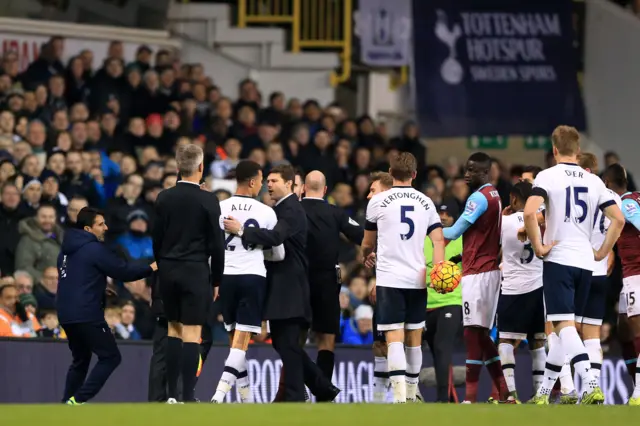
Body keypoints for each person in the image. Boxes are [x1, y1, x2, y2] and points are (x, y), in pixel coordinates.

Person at [525, 125, 624, 405]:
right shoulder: (594, 182)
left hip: (559, 259)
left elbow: (531, 212)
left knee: (563, 325)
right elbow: (618, 219)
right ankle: (544, 393)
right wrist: (602, 251)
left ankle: (590, 383)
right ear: (578, 150)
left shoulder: (547, 176)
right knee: (563, 328)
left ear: (555, 150)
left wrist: (539, 246)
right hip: (585, 262)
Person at [223, 164, 339, 402]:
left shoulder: (291, 210)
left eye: (274, 181)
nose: (269, 184)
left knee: (286, 344)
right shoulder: (283, 208)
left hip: (289, 287)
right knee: (283, 343)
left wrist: (241, 230)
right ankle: (322, 387)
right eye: (269, 181)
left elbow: (275, 238)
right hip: (284, 285)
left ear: (290, 184)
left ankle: (299, 395)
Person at [362, 152, 445, 403]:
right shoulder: (426, 201)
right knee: (414, 339)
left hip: (389, 278)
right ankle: (412, 393)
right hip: (417, 277)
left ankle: (399, 397)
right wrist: (439, 267)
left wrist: (367, 254)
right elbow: (438, 239)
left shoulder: (378, 201)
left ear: (390, 172)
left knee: (393, 337)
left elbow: (367, 242)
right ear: (415, 175)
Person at [57, 207, 155, 405]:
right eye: (101, 224)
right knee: (110, 357)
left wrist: (98, 289)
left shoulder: (64, 253)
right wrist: (150, 268)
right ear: (87, 228)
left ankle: (66, 404)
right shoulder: (94, 249)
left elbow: (76, 279)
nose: (106, 228)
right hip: (87, 314)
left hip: (66, 315)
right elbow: (123, 271)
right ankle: (79, 399)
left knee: (80, 360)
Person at [153, 144, 225, 404]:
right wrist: (217, 279)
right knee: (192, 333)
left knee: (173, 329)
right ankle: (188, 396)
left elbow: (156, 239)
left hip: (169, 269)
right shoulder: (208, 200)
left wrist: (163, 265)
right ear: (201, 167)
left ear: (177, 167)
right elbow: (218, 245)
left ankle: (172, 395)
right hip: (195, 270)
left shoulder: (163, 197)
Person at [211, 160, 284, 403]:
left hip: (225, 277)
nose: (263, 185)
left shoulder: (218, 207)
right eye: (261, 180)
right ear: (252, 181)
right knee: (241, 343)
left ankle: (246, 399)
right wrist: (259, 250)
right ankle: (219, 396)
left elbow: (211, 248)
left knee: (235, 342)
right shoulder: (266, 212)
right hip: (252, 276)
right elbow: (279, 253)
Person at [442, 152, 508, 403]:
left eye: (471, 170)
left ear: (484, 172)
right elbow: (481, 235)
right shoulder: (494, 194)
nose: (466, 174)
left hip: (479, 273)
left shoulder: (478, 198)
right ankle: (504, 390)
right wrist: (459, 259)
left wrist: (429, 229)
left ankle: (469, 398)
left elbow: (455, 231)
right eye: (466, 169)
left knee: (472, 334)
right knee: (480, 334)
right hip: (484, 268)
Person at [301, 170, 363, 381]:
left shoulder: (293, 210)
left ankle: (297, 389)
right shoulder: (336, 213)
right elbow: (360, 235)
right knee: (326, 339)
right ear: (325, 190)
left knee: (295, 339)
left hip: (298, 281)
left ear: (303, 188)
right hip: (327, 282)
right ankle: (323, 391)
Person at [496, 181, 546, 403]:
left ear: (514, 199)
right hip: (539, 287)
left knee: (506, 340)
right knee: (538, 341)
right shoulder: (543, 221)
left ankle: (511, 394)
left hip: (514, 288)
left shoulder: (503, 222)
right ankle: (539, 394)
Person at [577, 153, 621, 386]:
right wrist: (605, 250)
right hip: (599, 271)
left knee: (565, 330)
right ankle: (593, 385)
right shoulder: (612, 197)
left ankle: (567, 387)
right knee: (593, 335)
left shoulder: (571, 192)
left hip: (575, 270)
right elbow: (618, 223)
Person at [602, 163, 640, 405]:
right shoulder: (632, 199)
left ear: (608, 186)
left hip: (637, 274)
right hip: (628, 277)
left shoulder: (626, 204)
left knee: (637, 332)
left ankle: (638, 392)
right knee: (624, 329)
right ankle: (635, 385)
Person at [423, 203, 463, 403]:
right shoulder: (424, 240)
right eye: (440, 213)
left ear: (455, 219)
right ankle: (449, 397)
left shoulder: (463, 240)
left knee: (442, 347)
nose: (443, 217)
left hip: (451, 302)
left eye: (448, 214)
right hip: (426, 303)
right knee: (434, 351)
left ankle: (442, 400)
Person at [365, 171, 393, 403]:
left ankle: (406, 396)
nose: (368, 195)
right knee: (380, 343)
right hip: (385, 284)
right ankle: (377, 400)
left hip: (399, 288)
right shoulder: (383, 217)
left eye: (372, 190)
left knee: (397, 342)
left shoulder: (392, 213)